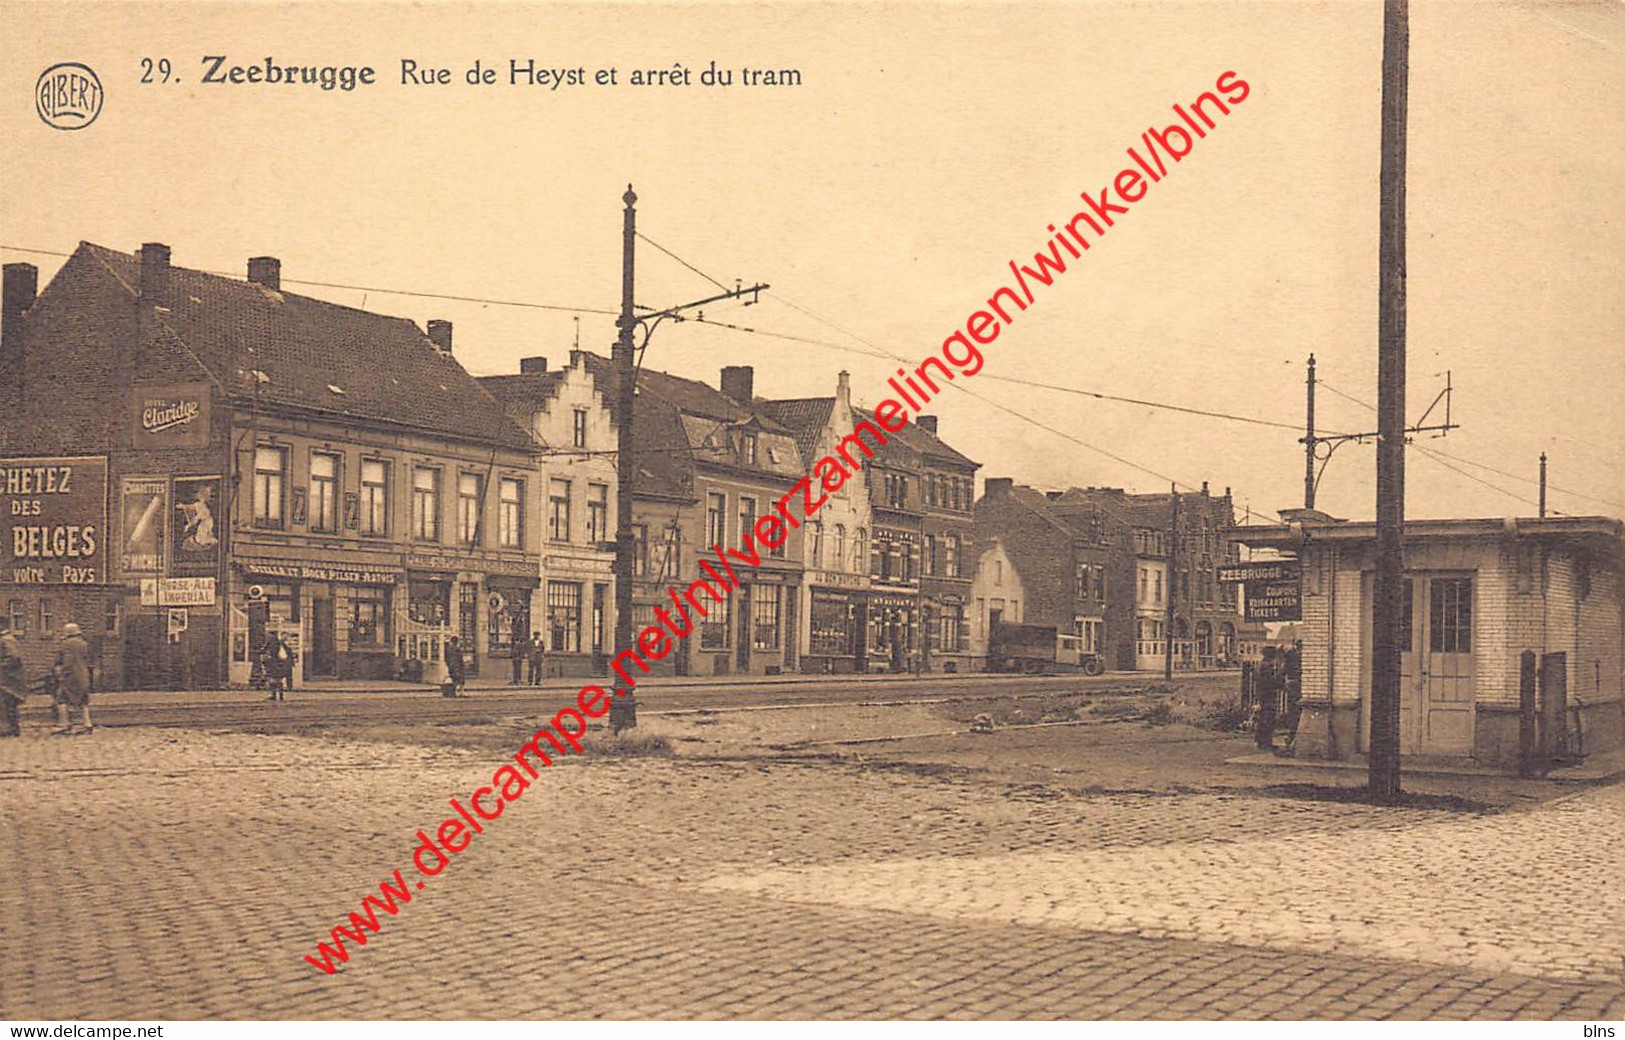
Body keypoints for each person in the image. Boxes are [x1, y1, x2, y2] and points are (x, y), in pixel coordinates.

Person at [52, 622, 93, 736]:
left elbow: (65, 662)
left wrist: (61, 675)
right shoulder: (84, 644)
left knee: (62, 699)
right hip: (83, 675)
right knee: (83, 700)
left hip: (70, 676)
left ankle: (64, 724)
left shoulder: (65, 645)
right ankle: (87, 724)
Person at [0, 616, 25, 737]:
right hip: (7, 679)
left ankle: (8, 729)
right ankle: (12, 728)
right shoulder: (6, 639)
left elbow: (14, 658)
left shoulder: (6, 640)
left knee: (6, 703)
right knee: (8, 704)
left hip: (9, 680)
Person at [1254, 647, 1281, 751]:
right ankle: (1265, 743)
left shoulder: (1262, 664)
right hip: (1267, 695)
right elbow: (1270, 681)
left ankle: (1262, 742)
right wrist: (1280, 683)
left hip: (1263, 695)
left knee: (1264, 718)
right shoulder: (1267, 666)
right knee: (1268, 719)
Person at [263, 633, 293, 702]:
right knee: (275, 680)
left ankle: (276, 695)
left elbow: (279, 656)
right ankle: (278, 695)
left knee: (275, 680)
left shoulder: (275, 645)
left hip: (276, 665)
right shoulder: (281, 645)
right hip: (278, 665)